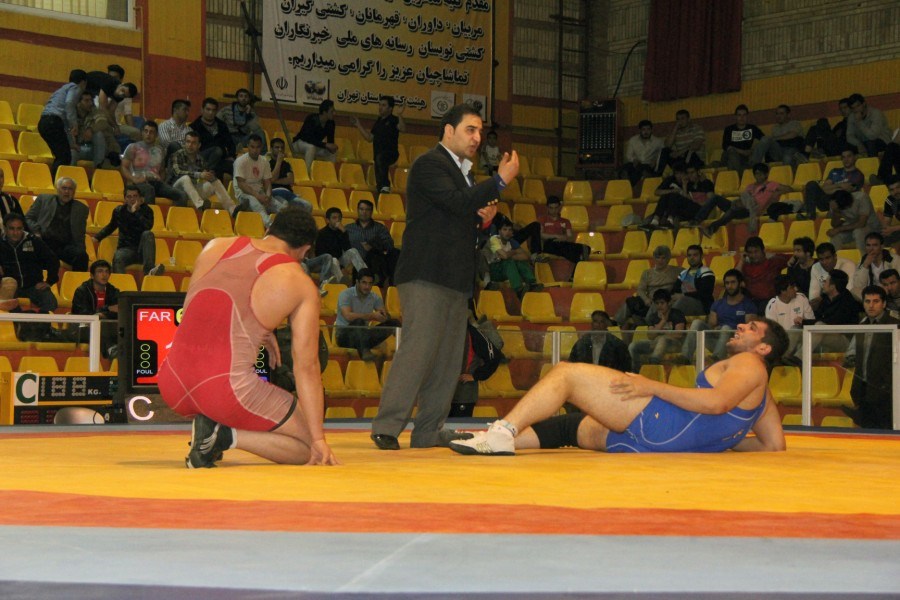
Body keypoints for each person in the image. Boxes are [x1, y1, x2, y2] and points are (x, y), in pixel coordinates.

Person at [371, 103, 519, 450]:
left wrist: (481, 220)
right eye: (470, 129)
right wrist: (499, 181)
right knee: (419, 350)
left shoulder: (463, 173)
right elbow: (455, 202)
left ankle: (428, 430)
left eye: (479, 131)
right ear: (448, 131)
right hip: (426, 273)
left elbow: (457, 217)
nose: (477, 137)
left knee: (449, 359)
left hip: (455, 278)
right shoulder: (429, 164)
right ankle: (387, 426)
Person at [158, 206, 340, 467]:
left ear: (269, 229)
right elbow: (307, 366)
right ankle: (222, 436)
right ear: (305, 250)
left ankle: (210, 431)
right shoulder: (299, 283)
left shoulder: (216, 246)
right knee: (307, 449)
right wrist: (319, 438)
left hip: (171, 382)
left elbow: (196, 311)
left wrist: (261, 330)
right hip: (224, 391)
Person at [450, 318, 788, 455]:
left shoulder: (749, 363)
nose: (741, 326)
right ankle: (484, 439)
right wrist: (715, 441)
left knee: (566, 375)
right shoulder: (763, 392)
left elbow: (716, 403)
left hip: (660, 424)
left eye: (752, 328)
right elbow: (773, 445)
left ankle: (502, 433)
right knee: (573, 427)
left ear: (763, 348)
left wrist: (652, 386)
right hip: (659, 443)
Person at [846, 285, 899, 429]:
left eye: (876, 301)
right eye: (867, 301)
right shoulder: (862, 325)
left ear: (884, 304)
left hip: (887, 392)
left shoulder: (894, 325)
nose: (871, 305)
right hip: (863, 389)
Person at [685, 269, 758, 362]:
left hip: (737, 343)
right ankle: (685, 357)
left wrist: (728, 330)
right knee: (696, 323)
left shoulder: (748, 305)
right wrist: (716, 329)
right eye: (727, 283)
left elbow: (750, 330)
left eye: (733, 282)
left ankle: (717, 359)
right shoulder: (718, 304)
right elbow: (711, 325)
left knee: (726, 328)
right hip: (718, 341)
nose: (729, 286)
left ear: (740, 284)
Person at [92, 184, 165, 276]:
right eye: (129, 197)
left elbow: (147, 226)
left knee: (148, 234)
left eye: (135, 196)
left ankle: (150, 271)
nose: (132, 199)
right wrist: (97, 237)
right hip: (126, 249)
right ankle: (121, 282)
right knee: (118, 257)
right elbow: (111, 226)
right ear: (125, 199)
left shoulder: (147, 210)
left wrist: (136, 212)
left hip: (142, 250)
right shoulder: (119, 211)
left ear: (140, 198)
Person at [703, 163, 792, 236]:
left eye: (760, 174)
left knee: (731, 212)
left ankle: (711, 229)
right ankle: (698, 220)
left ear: (766, 174)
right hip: (743, 206)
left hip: (752, 210)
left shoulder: (771, 185)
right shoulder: (750, 186)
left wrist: (777, 193)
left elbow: (789, 189)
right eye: (756, 174)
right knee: (716, 198)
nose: (758, 176)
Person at [25, 177, 89, 271]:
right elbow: (28, 218)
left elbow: (80, 235)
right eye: (64, 188)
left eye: (70, 189)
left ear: (74, 192)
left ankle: (78, 280)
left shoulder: (81, 209)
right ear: (58, 189)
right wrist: (36, 231)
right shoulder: (43, 199)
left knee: (82, 256)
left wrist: (81, 250)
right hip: (44, 241)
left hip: (65, 246)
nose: (67, 192)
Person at [334, 269, 401, 360]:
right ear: (357, 282)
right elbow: (348, 316)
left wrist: (384, 316)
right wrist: (373, 316)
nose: (367, 286)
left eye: (370, 284)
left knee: (394, 323)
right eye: (364, 283)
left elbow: (383, 314)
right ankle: (365, 351)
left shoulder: (375, 297)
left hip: (364, 336)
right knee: (359, 322)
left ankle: (406, 349)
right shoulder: (345, 294)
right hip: (344, 336)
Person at [0, 212, 59, 313]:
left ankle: (40, 322)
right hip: (11, 287)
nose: (15, 232)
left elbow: (53, 260)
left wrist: (49, 281)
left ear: (23, 228)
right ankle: (20, 322)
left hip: (33, 286)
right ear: (5, 229)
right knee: (10, 307)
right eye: (11, 228)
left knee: (51, 302)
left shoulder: (34, 241)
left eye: (19, 228)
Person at [121, 121, 188, 206]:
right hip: (138, 183)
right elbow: (124, 167)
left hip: (156, 183)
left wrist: (161, 180)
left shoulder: (160, 150)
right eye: (146, 131)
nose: (148, 134)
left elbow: (162, 170)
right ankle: (149, 215)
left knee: (182, 195)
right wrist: (133, 179)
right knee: (149, 190)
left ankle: (177, 214)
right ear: (142, 133)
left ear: (156, 135)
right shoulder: (133, 147)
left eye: (151, 132)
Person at [613, 245, 681, 328]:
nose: (660, 261)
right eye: (658, 258)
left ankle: (644, 323)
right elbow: (640, 290)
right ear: (654, 258)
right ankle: (615, 323)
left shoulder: (677, 271)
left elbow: (688, 283)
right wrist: (646, 299)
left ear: (668, 259)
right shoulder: (647, 273)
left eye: (663, 258)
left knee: (657, 303)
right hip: (649, 300)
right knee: (630, 302)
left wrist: (681, 295)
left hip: (664, 299)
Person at [37, 69, 87, 177]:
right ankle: (55, 182)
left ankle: (54, 180)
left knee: (61, 156)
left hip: (44, 122)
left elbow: (63, 125)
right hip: (53, 122)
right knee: (64, 157)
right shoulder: (75, 87)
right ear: (83, 82)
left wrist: (71, 144)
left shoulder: (61, 90)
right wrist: (74, 124)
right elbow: (69, 103)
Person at [168, 130, 233, 212]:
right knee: (185, 178)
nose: (190, 145)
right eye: (188, 142)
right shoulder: (177, 155)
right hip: (176, 190)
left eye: (194, 143)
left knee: (215, 181)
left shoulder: (200, 158)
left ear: (199, 145)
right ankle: (200, 205)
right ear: (184, 143)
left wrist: (209, 175)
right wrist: (199, 174)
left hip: (192, 191)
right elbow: (178, 173)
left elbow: (203, 175)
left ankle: (232, 209)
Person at [352, 96, 405, 193]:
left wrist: (400, 115)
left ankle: (386, 185)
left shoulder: (394, 119)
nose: (380, 107)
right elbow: (369, 138)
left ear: (390, 108)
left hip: (390, 153)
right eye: (380, 105)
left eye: (383, 105)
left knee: (381, 159)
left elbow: (402, 128)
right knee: (379, 171)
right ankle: (381, 190)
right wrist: (358, 125)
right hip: (378, 155)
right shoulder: (378, 122)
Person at [628, 288, 686, 372]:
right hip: (655, 343)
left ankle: (653, 365)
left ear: (669, 303)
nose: (659, 306)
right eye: (657, 303)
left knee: (662, 339)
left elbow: (679, 334)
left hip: (674, 344)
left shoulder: (677, 314)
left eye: (662, 303)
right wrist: (663, 321)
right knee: (633, 346)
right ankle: (636, 371)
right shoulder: (653, 317)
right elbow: (651, 336)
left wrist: (661, 336)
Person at [345, 199, 399, 286]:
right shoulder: (348, 228)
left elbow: (389, 244)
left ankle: (391, 283)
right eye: (361, 209)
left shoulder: (379, 228)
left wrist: (373, 245)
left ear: (371, 211)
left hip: (375, 260)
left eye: (367, 209)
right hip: (356, 260)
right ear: (357, 210)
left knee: (395, 253)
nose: (364, 212)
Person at [70, 258, 119, 354]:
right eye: (100, 271)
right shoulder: (82, 291)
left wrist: (101, 315)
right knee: (99, 329)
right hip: (84, 328)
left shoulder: (114, 291)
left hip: (108, 327)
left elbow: (118, 312)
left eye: (106, 271)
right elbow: (82, 314)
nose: (104, 275)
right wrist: (106, 309)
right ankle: (111, 350)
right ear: (92, 275)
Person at [800, 147, 865, 220]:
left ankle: (833, 212)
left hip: (844, 203)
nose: (846, 159)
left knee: (840, 194)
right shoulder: (835, 171)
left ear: (855, 157)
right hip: (827, 201)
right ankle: (810, 215)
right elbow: (824, 188)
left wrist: (833, 188)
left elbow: (848, 190)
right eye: (843, 157)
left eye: (849, 156)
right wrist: (839, 185)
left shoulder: (858, 174)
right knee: (811, 184)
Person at [233, 134, 284, 226]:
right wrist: (257, 196)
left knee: (281, 208)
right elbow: (241, 184)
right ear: (248, 146)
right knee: (257, 205)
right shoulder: (240, 161)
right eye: (252, 147)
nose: (255, 150)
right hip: (243, 194)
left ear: (261, 147)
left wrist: (268, 196)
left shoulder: (264, 161)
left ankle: (290, 228)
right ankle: (270, 226)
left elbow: (267, 182)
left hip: (260, 192)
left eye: (258, 147)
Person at [488, 220, 541, 299]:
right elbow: (504, 256)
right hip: (493, 271)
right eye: (505, 229)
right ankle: (519, 290)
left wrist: (511, 254)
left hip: (505, 270)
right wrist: (515, 252)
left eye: (510, 230)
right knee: (509, 261)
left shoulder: (511, 241)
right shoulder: (494, 240)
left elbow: (525, 256)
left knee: (520, 262)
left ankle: (532, 284)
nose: (507, 232)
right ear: (499, 231)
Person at [764, 274, 814, 358]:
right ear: (783, 291)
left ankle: (789, 359)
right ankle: (787, 358)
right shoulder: (772, 306)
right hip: (783, 342)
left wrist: (804, 321)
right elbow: (773, 333)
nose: (796, 289)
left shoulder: (802, 298)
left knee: (796, 328)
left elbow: (812, 322)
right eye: (792, 287)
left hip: (803, 339)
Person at [737, 236, 790, 314]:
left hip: (770, 301)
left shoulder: (774, 261)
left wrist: (774, 255)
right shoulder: (744, 265)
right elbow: (733, 278)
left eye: (756, 251)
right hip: (751, 301)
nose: (753, 255)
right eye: (750, 253)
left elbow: (795, 258)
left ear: (763, 250)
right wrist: (741, 260)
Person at [315, 207, 368, 283]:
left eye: (339, 218)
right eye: (334, 218)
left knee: (353, 251)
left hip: (339, 260)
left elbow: (347, 248)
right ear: (327, 220)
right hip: (326, 262)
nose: (337, 220)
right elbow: (321, 254)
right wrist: (341, 267)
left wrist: (344, 232)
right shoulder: (321, 233)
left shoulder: (341, 231)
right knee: (333, 260)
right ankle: (341, 282)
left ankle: (366, 277)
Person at [535, 196, 591, 264]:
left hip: (562, 243)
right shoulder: (542, 219)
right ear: (547, 208)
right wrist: (555, 236)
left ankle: (578, 264)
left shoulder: (565, 221)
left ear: (559, 207)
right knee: (575, 254)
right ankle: (579, 264)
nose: (553, 210)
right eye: (551, 208)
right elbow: (540, 235)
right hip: (548, 244)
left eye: (556, 208)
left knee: (586, 248)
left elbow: (570, 237)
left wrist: (564, 238)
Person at [190, 97, 236, 179]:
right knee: (217, 150)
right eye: (208, 109)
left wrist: (231, 156)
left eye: (213, 110)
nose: (211, 112)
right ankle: (205, 171)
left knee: (236, 166)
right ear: (202, 110)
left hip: (220, 160)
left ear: (216, 111)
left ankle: (208, 172)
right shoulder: (194, 126)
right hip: (202, 159)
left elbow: (230, 143)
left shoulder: (222, 125)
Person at [827, 189, 881, 255]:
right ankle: (834, 258)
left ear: (846, 206)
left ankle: (863, 257)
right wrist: (835, 212)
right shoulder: (835, 204)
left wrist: (839, 229)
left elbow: (861, 223)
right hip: (851, 226)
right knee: (835, 236)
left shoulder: (861, 197)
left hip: (870, 226)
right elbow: (834, 224)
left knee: (858, 232)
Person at [267, 137, 312, 212]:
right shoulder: (267, 163)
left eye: (282, 148)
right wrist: (278, 162)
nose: (280, 150)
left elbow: (290, 180)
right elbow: (272, 178)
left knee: (308, 205)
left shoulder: (286, 164)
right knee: (285, 206)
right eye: (277, 147)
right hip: (275, 192)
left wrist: (274, 181)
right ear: (271, 149)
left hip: (289, 193)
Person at [292, 99, 338, 171]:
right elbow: (307, 138)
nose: (334, 113)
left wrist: (332, 147)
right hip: (300, 143)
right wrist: (325, 145)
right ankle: (307, 174)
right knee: (311, 147)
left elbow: (330, 142)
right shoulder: (312, 119)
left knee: (332, 152)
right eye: (332, 111)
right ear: (324, 112)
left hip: (316, 145)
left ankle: (329, 173)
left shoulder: (331, 123)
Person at [808, 242, 857, 308]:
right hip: (827, 304)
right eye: (821, 259)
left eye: (827, 258)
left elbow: (847, 292)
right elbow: (813, 297)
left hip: (846, 305)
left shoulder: (848, 265)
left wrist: (822, 298)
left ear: (835, 256)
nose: (825, 262)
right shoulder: (816, 267)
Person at [850, 232, 897, 299]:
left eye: (875, 245)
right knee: (853, 291)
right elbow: (858, 285)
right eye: (868, 245)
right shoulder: (863, 261)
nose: (871, 248)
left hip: (890, 291)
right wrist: (865, 266)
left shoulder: (894, 259)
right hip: (871, 294)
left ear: (882, 246)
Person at [672, 244, 715, 316]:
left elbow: (704, 294)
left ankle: (668, 319)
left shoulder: (706, 272)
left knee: (682, 301)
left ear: (701, 257)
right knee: (661, 302)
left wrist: (684, 295)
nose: (692, 258)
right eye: (689, 255)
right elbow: (674, 291)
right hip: (682, 302)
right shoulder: (683, 273)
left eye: (695, 255)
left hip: (702, 305)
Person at [721, 104, 765, 175]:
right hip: (732, 155)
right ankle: (742, 176)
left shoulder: (752, 128)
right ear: (735, 117)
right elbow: (725, 146)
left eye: (744, 115)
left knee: (731, 164)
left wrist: (752, 149)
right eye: (739, 115)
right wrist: (742, 152)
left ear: (747, 116)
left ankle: (737, 177)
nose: (742, 118)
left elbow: (763, 140)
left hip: (746, 158)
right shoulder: (729, 129)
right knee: (732, 154)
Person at [846, 93, 892, 158]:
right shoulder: (852, 117)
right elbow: (849, 136)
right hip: (863, 142)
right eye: (853, 108)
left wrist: (860, 122)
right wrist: (858, 144)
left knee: (871, 144)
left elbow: (872, 136)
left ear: (864, 104)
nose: (856, 109)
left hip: (881, 140)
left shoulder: (876, 114)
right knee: (846, 146)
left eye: (858, 106)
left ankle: (873, 164)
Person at [218, 88, 265, 152]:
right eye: (241, 96)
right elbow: (216, 121)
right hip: (230, 137)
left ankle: (262, 154)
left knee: (261, 133)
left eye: (246, 96)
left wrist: (249, 115)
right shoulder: (227, 110)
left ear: (249, 99)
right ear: (237, 98)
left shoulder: (252, 113)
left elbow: (256, 129)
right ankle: (235, 148)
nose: (243, 98)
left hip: (244, 138)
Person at [619, 120, 663, 186]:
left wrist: (656, 160)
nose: (646, 132)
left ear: (651, 130)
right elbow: (628, 155)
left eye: (648, 129)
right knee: (625, 169)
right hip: (635, 163)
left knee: (641, 170)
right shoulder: (633, 140)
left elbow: (662, 153)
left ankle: (635, 186)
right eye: (644, 129)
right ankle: (625, 186)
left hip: (648, 164)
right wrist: (634, 159)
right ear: (640, 130)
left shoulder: (657, 142)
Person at [879, 177, 900, 248]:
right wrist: (886, 229)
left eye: (898, 187)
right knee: (880, 239)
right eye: (892, 190)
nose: (896, 191)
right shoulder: (890, 201)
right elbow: (887, 222)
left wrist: (893, 229)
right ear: (888, 191)